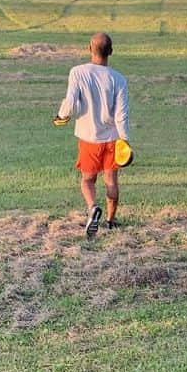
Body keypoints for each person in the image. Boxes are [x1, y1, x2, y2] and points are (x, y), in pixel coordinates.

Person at [53, 32, 131, 239]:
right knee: (111, 180)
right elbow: (121, 115)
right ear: (111, 52)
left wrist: (61, 116)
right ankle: (111, 221)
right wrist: (125, 141)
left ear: (89, 49)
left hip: (89, 137)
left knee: (88, 180)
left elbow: (70, 103)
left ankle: (93, 207)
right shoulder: (119, 79)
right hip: (113, 138)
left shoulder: (78, 72)